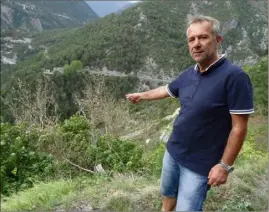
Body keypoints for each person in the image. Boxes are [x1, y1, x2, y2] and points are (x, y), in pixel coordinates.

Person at [126, 15, 254, 211]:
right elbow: (167, 89)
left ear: (217, 40)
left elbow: (239, 128)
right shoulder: (190, 73)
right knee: (168, 195)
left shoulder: (235, 77)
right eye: (191, 39)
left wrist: (224, 166)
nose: (196, 44)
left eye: (203, 37)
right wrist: (141, 95)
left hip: (200, 164)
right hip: (173, 151)